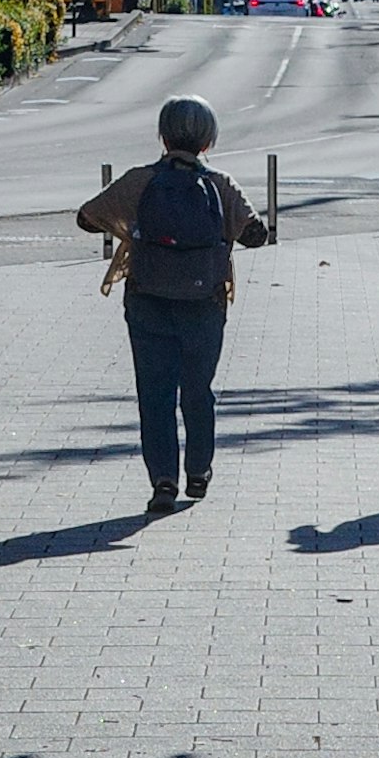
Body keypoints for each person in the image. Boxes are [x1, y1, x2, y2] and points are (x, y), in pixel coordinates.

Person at [77, 97, 274, 511]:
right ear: (208, 140)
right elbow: (257, 234)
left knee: (155, 393)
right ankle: (199, 471)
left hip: (147, 300)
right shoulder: (220, 184)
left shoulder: (140, 181)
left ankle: (163, 481)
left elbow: (86, 216)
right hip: (205, 302)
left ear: (163, 136)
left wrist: (132, 227)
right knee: (197, 389)